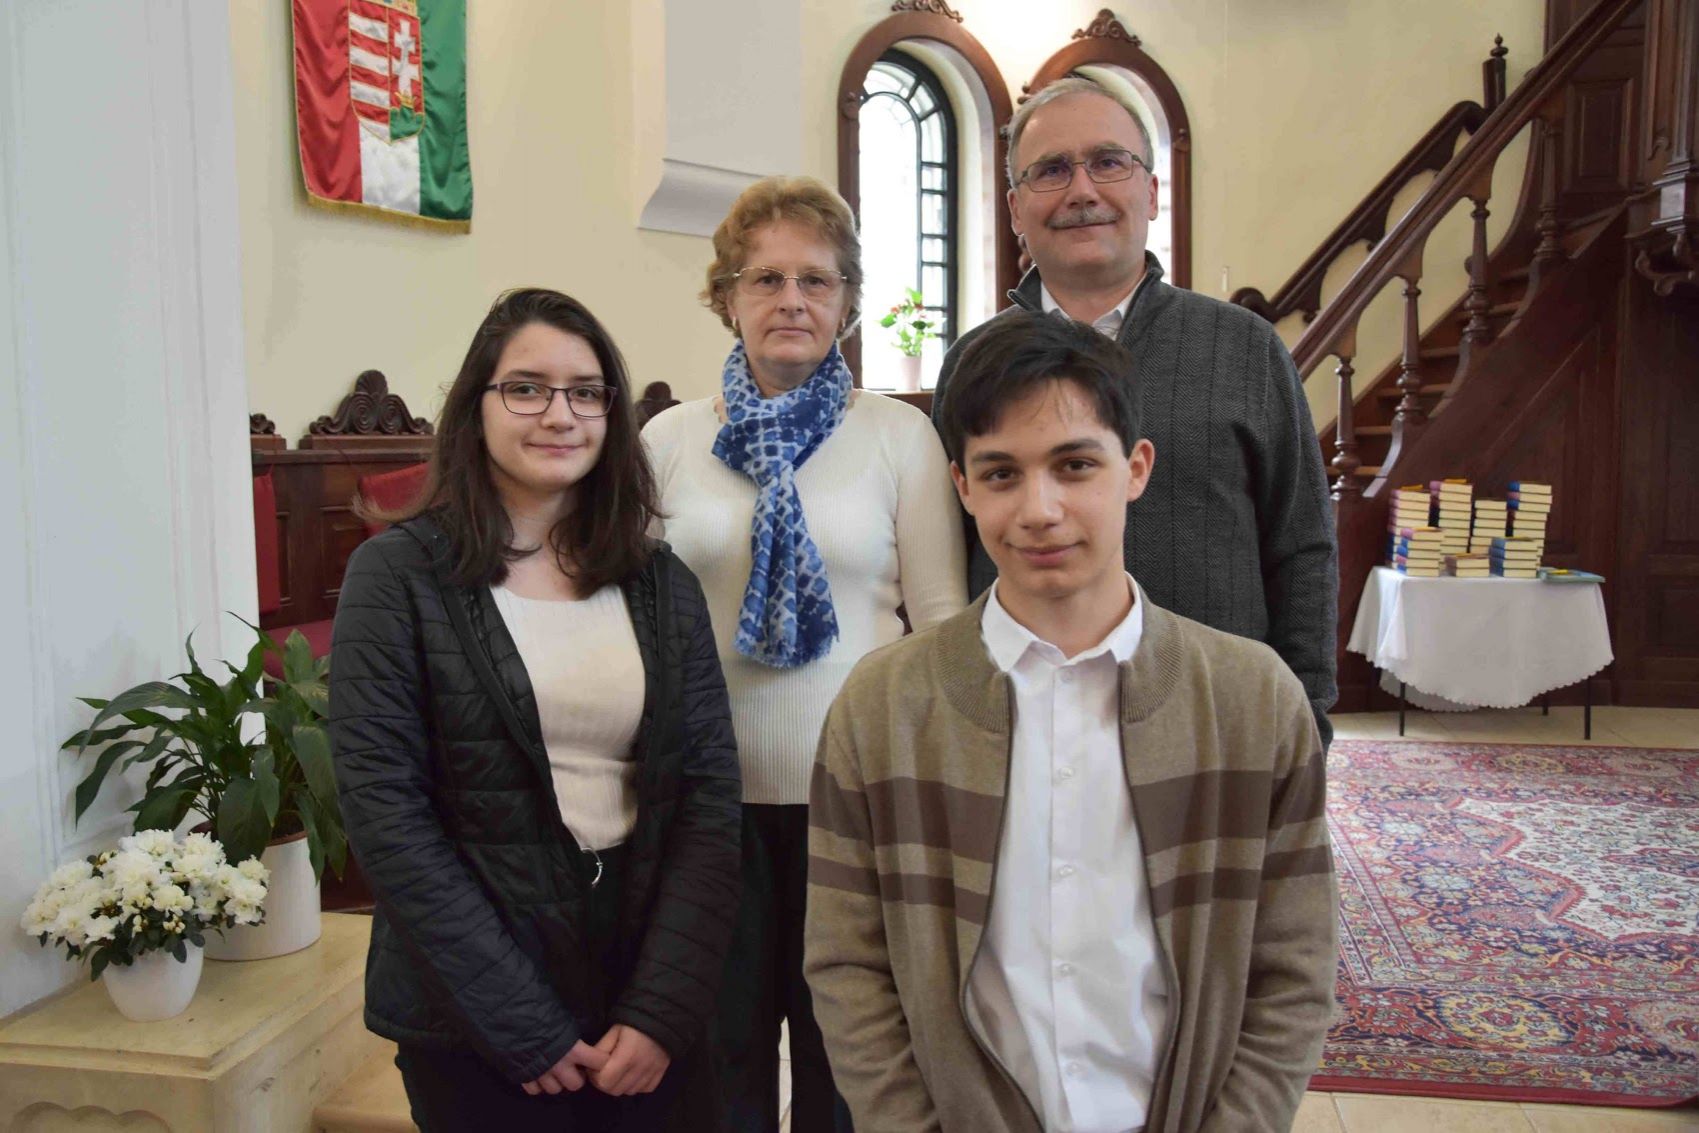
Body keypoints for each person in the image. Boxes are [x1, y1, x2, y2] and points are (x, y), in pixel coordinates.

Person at [807, 312, 1338, 1133]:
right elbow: (849, 966)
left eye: (1074, 465)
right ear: (962, 488)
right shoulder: (883, 707)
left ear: (1135, 468)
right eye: (1001, 473)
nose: (1040, 509)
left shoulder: (1251, 700)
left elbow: (1293, 968)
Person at [330, 288, 742, 1131]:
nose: (560, 414)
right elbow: (386, 814)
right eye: (526, 388)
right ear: (475, 405)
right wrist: (520, 1024)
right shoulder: (397, 577)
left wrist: (661, 1008)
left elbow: (706, 797)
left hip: (638, 974)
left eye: (585, 392)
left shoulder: (660, 582)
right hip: (471, 1000)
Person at [643, 174, 967, 1132]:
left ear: (847, 301)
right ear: (726, 296)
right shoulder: (668, 440)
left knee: (847, 1052)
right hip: (708, 802)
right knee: (721, 1051)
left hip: (857, 798)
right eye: (766, 278)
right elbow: (636, 628)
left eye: (816, 280)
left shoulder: (900, 435)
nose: (792, 299)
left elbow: (940, 622)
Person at [932, 75, 1340, 745]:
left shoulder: (1243, 347)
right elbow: (947, 561)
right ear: (1014, 209)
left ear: (1150, 192)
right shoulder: (972, 363)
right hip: (1018, 723)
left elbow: (1302, 547)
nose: (1081, 190)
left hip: (1216, 723)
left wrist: (1305, 717)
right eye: (1051, 170)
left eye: (1108, 162)